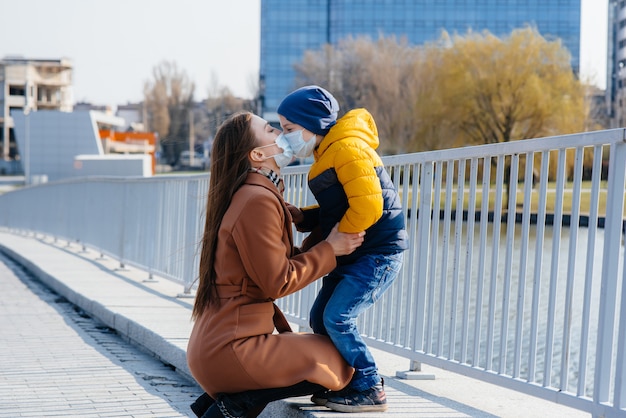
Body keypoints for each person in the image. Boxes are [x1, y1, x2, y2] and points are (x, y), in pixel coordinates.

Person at [186, 111, 366, 418]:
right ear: (258, 154)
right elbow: (278, 281)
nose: (282, 135)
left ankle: (234, 401)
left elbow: (271, 266)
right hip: (232, 349)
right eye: (271, 130)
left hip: (221, 344)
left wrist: (324, 234)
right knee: (340, 363)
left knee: (329, 355)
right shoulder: (257, 199)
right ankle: (238, 402)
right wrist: (330, 249)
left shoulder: (253, 193)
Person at [276, 85, 409, 413]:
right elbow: (343, 205)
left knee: (338, 317)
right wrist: (304, 218)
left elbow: (368, 208)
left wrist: (337, 242)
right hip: (355, 252)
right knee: (320, 318)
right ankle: (342, 381)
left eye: (290, 129)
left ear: (312, 125)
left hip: (378, 252)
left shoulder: (348, 148)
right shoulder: (329, 152)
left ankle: (369, 385)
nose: (284, 137)